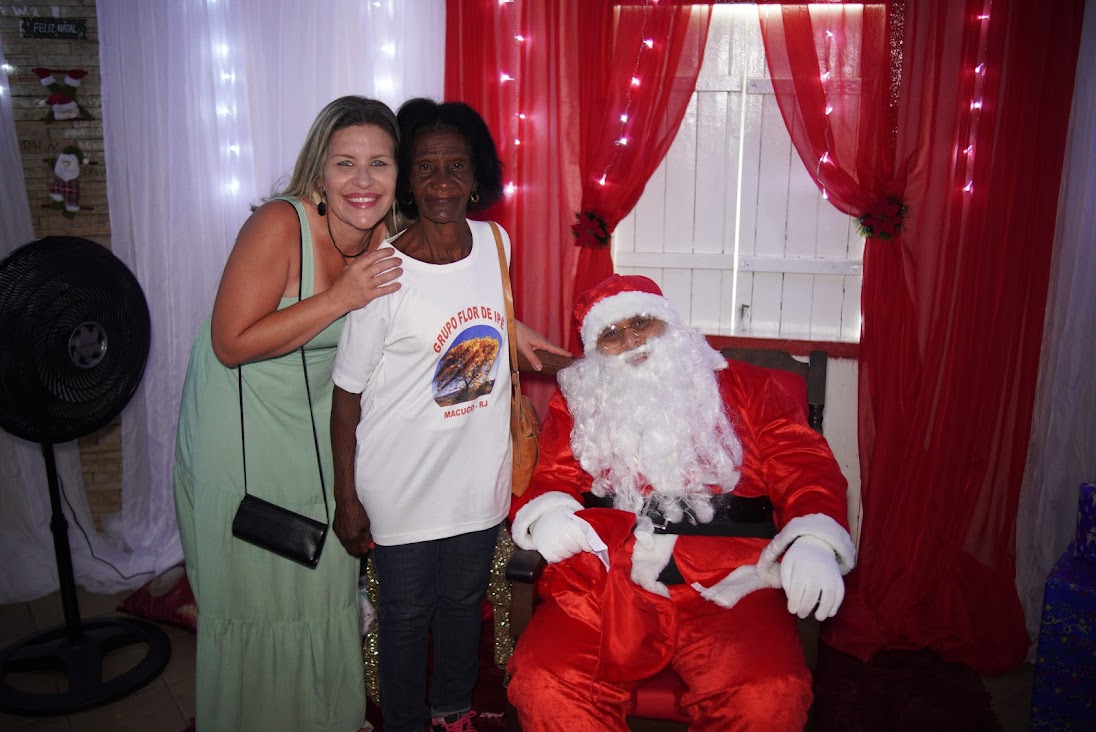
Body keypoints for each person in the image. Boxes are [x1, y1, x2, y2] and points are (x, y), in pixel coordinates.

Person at [507, 274, 858, 731]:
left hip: (731, 583)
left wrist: (813, 538)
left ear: (668, 323)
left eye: (641, 323)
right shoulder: (578, 401)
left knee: (766, 695)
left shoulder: (749, 387)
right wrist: (550, 512)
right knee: (545, 681)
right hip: (607, 581)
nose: (630, 341)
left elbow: (804, 465)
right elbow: (550, 473)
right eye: (610, 334)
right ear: (596, 351)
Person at [330, 98, 570, 732]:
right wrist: (346, 498)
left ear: (476, 175)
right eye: (426, 167)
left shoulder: (496, 243)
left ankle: (452, 712)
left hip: (476, 474)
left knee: (464, 603)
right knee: (407, 614)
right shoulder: (381, 273)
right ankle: (405, 722)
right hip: (401, 482)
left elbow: (493, 325)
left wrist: (587, 365)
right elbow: (346, 393)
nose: (441, 181)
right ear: (408, 179)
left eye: (456, 165)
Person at [173, 96, 406, 732]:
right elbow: (231, 343)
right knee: (257, 585)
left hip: (317, 417)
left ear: (397, 172)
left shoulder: (390, 235)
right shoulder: (279, 223)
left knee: (324, 572)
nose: (363, 180)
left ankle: (324, 715)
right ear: (318, 172)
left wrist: (511, 332)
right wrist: (341, 297)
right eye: (345, 163)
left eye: (379, 163)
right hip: (239, 420)